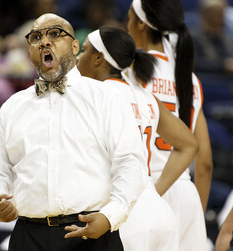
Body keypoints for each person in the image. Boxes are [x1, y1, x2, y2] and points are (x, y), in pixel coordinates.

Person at [0, 13, 149, 251]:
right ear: (29, 50)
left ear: (75, 46)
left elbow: (131, 163)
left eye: (55, 34)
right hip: (28, 236)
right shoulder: (13, 106)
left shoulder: (106, 97)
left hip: (91, 233)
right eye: (36, 37)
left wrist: (110, 216)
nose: (44, 42)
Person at [77, 25, 199, 250]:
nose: (77, 58)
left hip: (123, 214)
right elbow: (189, 144)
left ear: (98, 59)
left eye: (83, 50)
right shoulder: (146, 95)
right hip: (158, 211)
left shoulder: (95, 95)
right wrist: (152, 190)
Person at [126, 0, 213, 250]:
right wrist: (196, 214)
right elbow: (205, 163)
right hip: (186, 195)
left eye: (130, 18)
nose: (127, 24)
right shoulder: (190, 78)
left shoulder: (130, 72)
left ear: (141, 23)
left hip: (146, 191)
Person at [191, 0, 233, 74]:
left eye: (222, 13)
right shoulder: (193, 37)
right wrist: (223, 66)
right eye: (218, 13)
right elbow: (194, 63)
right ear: (206, 14)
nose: (222, 17)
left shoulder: (226, 39)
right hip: (205, 82)